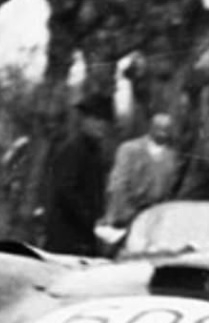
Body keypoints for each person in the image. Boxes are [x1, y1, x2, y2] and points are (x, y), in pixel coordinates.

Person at [42, 94, 113, 256]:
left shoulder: (96, 151)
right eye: (95, 120)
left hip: (85, 235)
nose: (100, 125)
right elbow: (66, 190)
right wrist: (91, 219)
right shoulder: (73, 150)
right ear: (84, 121)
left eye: (104, 121)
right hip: (67, 235)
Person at [104, 111, 179, 229]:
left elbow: (168, 190)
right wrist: (127, 214)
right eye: (159, 128)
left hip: (153, 220)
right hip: (124, 218)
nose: (163, 133)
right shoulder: (129, 149)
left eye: (167, 129)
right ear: (151, 128)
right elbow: (118, 185)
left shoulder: (171, 156)